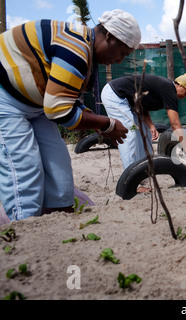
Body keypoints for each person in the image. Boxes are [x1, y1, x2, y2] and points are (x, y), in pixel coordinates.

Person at [0, 9, 141, 221]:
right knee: (24, 165)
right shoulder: (75, 47)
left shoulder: (85, 50)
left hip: (37, 105)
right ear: (110, 37)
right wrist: (107, 124)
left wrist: (91, 119)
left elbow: (64, 97)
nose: (119, 61)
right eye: (122, 53)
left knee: (59, 165)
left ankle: (59, 222)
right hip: (6, 99)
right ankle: (24, 229)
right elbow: (59, 111)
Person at [101, 73, 186, 190]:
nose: (183, 97)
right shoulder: (169, 89)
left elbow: (143, 106)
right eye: (185, 93)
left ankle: (142, 171)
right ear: (180, 85)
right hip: (116, 96)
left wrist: (150, 126)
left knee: (142, 131)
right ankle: (131, 181)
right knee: (130, 133)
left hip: (130, 103)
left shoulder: (163, 88)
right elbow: (175, 124)